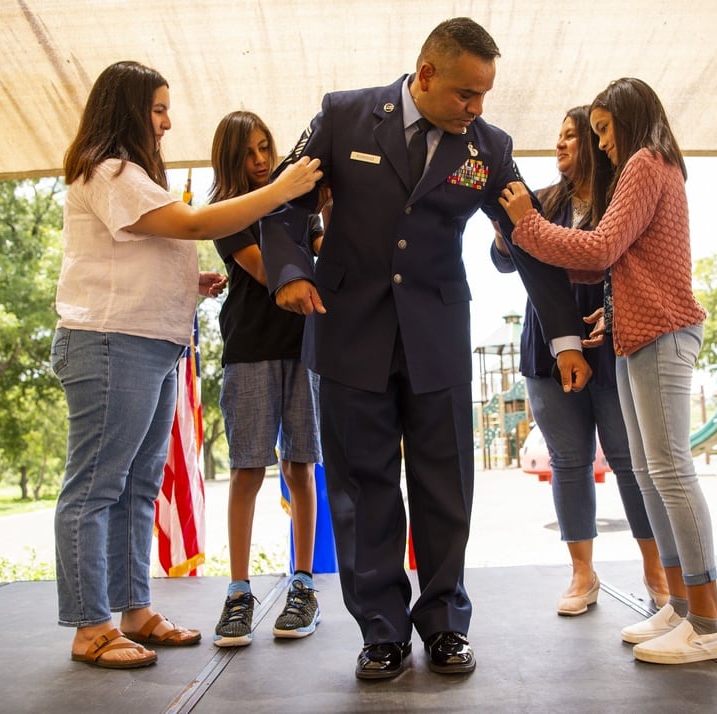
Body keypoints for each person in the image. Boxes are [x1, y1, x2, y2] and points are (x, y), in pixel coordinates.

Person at [260, 17, 591, 680]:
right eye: (467, 94)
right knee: (362, 489)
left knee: (446, 487)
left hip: (436, 336)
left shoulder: (488, 147)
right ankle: (381, 630)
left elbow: (524, 236)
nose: (477, 109)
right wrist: (291, 272)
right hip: (350, 331)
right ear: (427, 73)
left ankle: (444, 623)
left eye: (485, 96)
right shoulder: (343, 115)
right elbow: (283, 203)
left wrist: (563, 336)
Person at [51, 61, 321, 670]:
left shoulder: (134, 176)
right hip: (109, 344)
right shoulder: (108, 169)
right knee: (94, 489)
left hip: (148, 344)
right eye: (158, 109)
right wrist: (282, 188)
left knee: (137, 486)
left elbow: (149, 247)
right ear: (125, 110)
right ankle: (90, 626)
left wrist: (185, 280)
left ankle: (133, 610)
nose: (168, 122)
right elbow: (195, 222)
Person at [500, 77, 717, 665]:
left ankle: (708, 620)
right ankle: (681, 606)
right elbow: (634, 259)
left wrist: (527, 223)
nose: (599, 144)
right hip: (635, 332)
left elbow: (601, 248)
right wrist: (614, 307)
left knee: (669, 469)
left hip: (661, 333)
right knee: (653, 471)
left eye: (601, 130)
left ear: (627, 121)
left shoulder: (645, 163)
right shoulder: (651, 167)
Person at [490, 105, 668, 617]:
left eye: (574, 136)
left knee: (630, 462)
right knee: (568, 462)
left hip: (615, 343)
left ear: (596, 142)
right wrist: (508, 232)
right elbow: (503, 261)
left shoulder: (623, 198)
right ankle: (582, 573)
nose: (561, 145)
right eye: (559, 136)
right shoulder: (540, 200)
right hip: (547, 347)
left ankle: (656, 571)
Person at [206, 111, 325, 648]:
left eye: (265, 148)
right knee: (248, 470)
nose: (259, 161)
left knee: (301, 467)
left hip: (305, 347)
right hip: (250, 350)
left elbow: (323, 256)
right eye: (248, 153)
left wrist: (326, 212)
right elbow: (272, 271)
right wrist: (292, 209)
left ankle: (302, 586)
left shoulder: (298, 204)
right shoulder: (224, 213)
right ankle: (238, 594)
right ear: (230, 160)